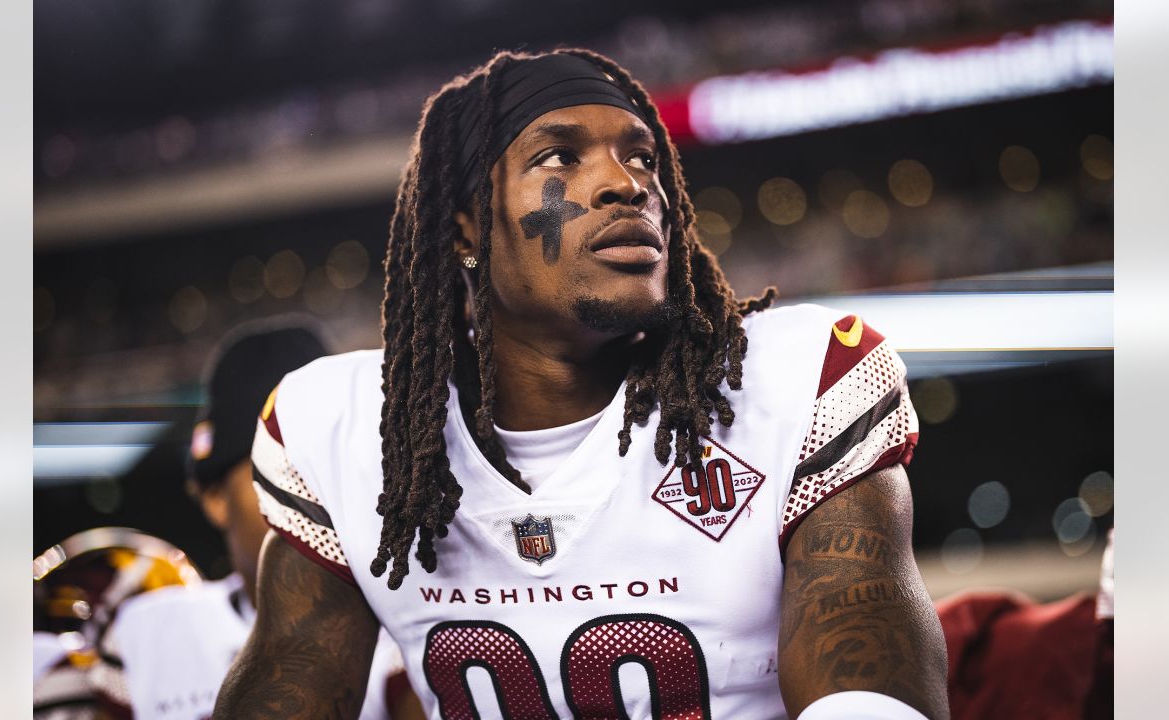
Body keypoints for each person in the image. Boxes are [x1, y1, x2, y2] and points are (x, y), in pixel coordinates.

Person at [216, 49, 949, 720]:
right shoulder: (350, 430)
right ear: (466, 231)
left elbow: (867, 693)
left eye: (643, 158)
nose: (627, 185)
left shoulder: (795, 382)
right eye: (559, 156)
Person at [112, 319, 418, 720]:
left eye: (323, 472)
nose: (307, 495)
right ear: (215, 497)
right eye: (275, 473)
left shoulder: (414, 618)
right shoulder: (142, 633)